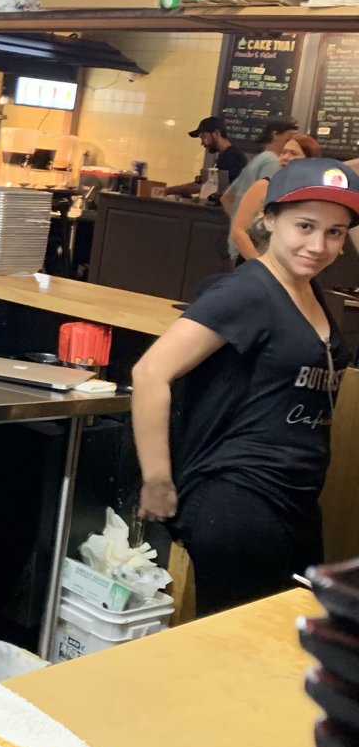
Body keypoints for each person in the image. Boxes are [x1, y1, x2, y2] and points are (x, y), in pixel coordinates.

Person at [133, 158, 359, 615]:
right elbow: (151, 372)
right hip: (237, 497)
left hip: (291, 499)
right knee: (237, 651)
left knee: (277, 640)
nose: (318, 245)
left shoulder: (308, 290)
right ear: (270, 220)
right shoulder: (248, 291)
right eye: (305, 226)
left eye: (335, 232)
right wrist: (157, 481)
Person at [231, 133, 321, 260]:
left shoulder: (313, 196)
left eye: (293, 154)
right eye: (283, 152)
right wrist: (262, 268)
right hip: (255, 265)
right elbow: (238, 231)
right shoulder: (264, 187)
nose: (285, 157)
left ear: (309, 161)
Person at [221, 119, 298, 217]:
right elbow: (265, 202)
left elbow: (226, 198)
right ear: (275, 135)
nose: (293, 142)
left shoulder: (258, 159)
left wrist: (237, 223)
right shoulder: (272, 161)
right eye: (289, 138)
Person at [169, 116, 247, 201]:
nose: (202, 143)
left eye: (204, 137)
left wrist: (167, 191)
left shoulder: (231, 157)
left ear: (216, 133)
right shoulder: (227, 155)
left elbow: (204, 185)